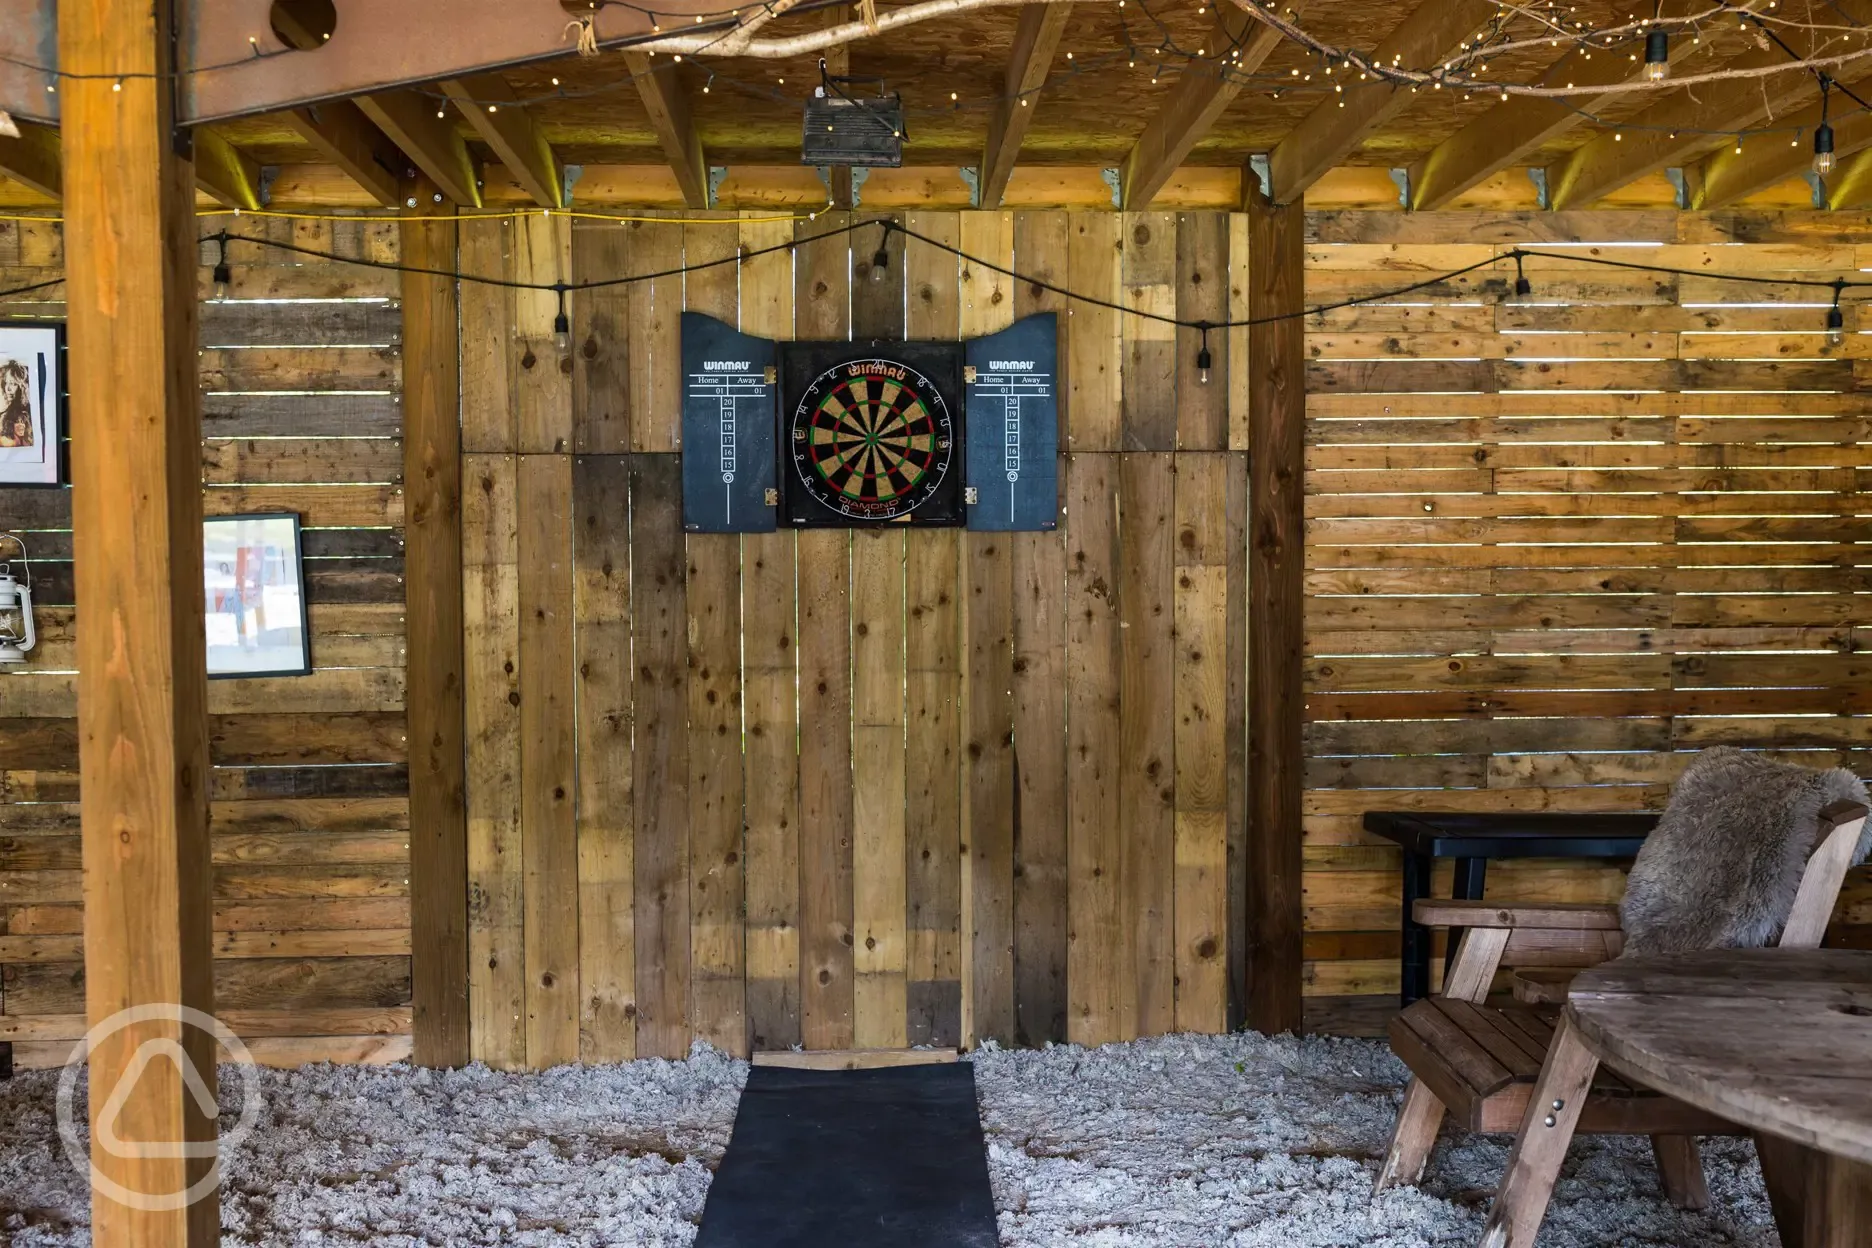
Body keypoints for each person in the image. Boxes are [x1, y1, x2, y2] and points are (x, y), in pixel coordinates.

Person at [0, 359, 33, 448]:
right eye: (6, 383)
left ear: (21, 387)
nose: (8, 388)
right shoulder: (4, 414)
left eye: (13, 384)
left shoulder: (25, 414)